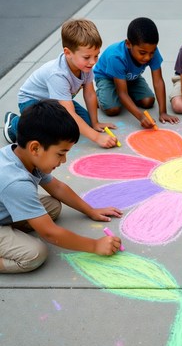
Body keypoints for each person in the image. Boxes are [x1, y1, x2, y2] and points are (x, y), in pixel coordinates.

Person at [0, 100, 123, 274]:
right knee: (34, 254)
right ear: (35, 148)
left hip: (4, 207)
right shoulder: (16, 182)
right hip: (9, 202)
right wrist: (95, 245)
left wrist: (91, 210)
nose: (63, 160)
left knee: (53, 207)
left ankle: (13, 230)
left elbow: (57, 187)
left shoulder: (23, 156)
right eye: (60, 153)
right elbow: (49, 234)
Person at [3, 19, 118, 149]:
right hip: (33, 102)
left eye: (96, 56)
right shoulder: (58, 74)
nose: (93, 62)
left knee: (84, 124)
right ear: (68, 53)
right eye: (87, 57)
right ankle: (15, 124)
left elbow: (90, 94)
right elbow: (69, 113)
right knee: (52, 132)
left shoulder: (85, 66)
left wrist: (95, 123)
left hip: (57, 101)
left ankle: (28, 122)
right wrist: (97, 138)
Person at [93, 17, 179, 128]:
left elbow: (158, 81)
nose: (147, 57)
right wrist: (141, 117)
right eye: (142, 53)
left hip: (131, 78)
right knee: (113, 109)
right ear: (128, 44)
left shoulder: (151, 50)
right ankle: (99, 96)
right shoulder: (116, 57)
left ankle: (123, 94)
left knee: (148, 101)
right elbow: (122, 93)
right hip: (107, 78)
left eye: (151, 52)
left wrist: (163, 112)